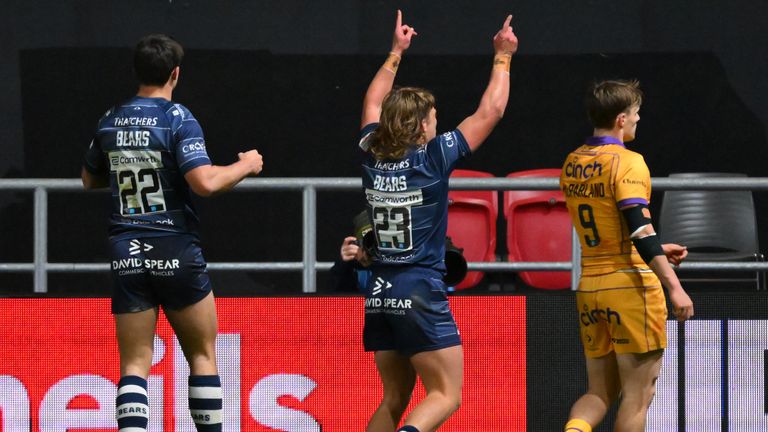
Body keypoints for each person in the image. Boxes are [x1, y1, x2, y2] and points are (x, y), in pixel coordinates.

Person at [81, 34, 263, 432]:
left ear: (136, 72)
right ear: (175, 74)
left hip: (127, 250)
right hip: (174, 248)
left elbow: (89, 178)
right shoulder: (177, 118)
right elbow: (205, 183)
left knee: (133, 364)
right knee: (201, 355)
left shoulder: (110, 118)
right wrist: (247, 165)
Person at [359, 10, 518, 432]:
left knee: (393, 398)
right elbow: (492, 110)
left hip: (378, 291)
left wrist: (395, 52)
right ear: (419, 127)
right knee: (446, 395)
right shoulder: (432, 157)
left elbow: (373, 101)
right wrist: (503, 56)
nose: (437, 123)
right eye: (432, 118)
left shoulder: (371, 153)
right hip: (419, 290)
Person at [559, 79, 694, 432]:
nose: (637, 120)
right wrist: (675, 287)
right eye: (635, 114)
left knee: (599, 392)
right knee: (638, 397)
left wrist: (656, 249)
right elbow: (639, 229)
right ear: (621, 119)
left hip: (590, 287)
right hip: (630, 290)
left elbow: (610, 227)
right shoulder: (629, 162)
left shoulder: (572, 162)